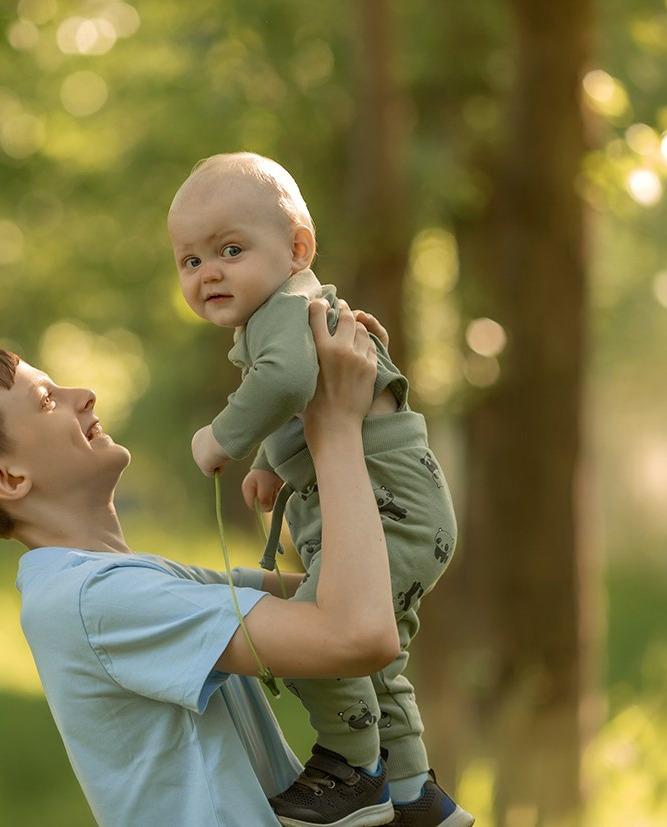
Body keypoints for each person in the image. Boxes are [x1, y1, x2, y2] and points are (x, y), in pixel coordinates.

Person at [0, 303, 449, 826]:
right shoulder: (92, 602)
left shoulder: (135, 585)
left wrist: (371, 414)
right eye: (46, 400)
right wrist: (335, 427)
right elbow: (357, 631)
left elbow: (377, 588)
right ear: (7, 478)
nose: (84, 394)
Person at [168, 152, 472, 827]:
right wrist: (273, 464)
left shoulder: (286, 310)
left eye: (230, 250)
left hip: (390, 509)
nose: (208, 271)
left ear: (297, 249)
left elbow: (281, 382)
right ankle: (413, 792)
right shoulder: (294, 312)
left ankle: (351, 769)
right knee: (375, 656)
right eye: (190, 260)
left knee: (315, 637)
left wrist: (221, 438)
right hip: (406, 507)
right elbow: (303, 399)